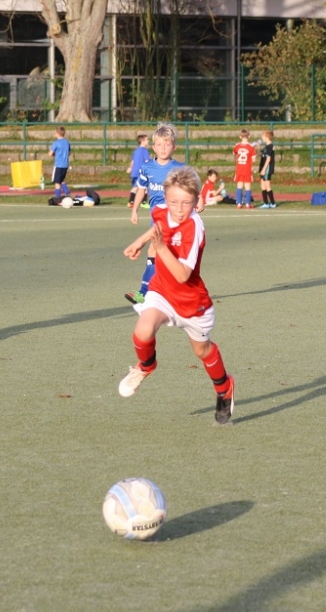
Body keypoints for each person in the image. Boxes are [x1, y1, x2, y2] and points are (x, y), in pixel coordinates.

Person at [119, 166, 234, 425]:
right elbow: (159, 226)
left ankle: (224, 388)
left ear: (196, 200)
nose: (179, 209)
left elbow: (183, 275)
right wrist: (140, 241)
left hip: (191, 302)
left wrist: (160, 248)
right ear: (166, 198)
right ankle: (146, 366)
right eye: (173, 202)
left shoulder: (194, 227)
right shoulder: (162, 210)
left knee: (202, 351)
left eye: (185, 203)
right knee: (143, 330)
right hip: (161, 290)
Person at [125, 122, 188, 307]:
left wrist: (198, 201)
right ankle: (168, 291)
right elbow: (141, 189)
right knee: (161, 255)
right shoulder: (147, 168)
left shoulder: (178, 168)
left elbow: (189, 189)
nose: (163, 148)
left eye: (167, 144)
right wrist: (135, 209)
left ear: (174, 146)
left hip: (172, 218)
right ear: (153, 147)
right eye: (159, 144)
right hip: (155, 217)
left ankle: (144, 292)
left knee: (154, 250)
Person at [232, 128, 256, 209]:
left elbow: (234, 153)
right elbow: (254, 159)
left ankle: (239, 203)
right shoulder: (251, 147)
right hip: (247, 169)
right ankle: (248, 204)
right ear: (249, 136)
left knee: (239, 186)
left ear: (240, 136)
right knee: (247, 186)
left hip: (239, 169)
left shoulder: (237, 146)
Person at [127, 134, 150, 208]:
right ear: (143, 141)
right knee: (143, 187)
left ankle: (132, 202)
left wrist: (130, 168)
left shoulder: (136, 151)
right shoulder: (145, 151)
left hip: (134, 172)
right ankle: (141, 202)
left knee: (137, 187)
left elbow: (132, 161)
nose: (148, 141)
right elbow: (146, 161)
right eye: (147, 140)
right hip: (141, 172)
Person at [49, 126, 71, 200]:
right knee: (61, 180)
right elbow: (69, 153)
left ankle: (57, 197)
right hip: (65, 164)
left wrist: (55, 154)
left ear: (58, 134)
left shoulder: (56, 143)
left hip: (58, 165)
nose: (54, 134)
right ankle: (67, 192)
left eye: (55, 133)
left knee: (57, 182)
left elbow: (50, 153)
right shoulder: (67, 142)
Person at [258, 130, 276, 209]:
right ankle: (266, 203)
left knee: (267, 185)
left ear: (267, 137)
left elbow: (268, 159)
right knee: (262, 186)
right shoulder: (266, 147)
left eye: (263, 136)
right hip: (263, 168)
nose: (262, 138)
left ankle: (273, 203)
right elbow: (262, 155)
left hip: (267, 168)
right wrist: (258, 147)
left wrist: (264, 169)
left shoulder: (270, 146)